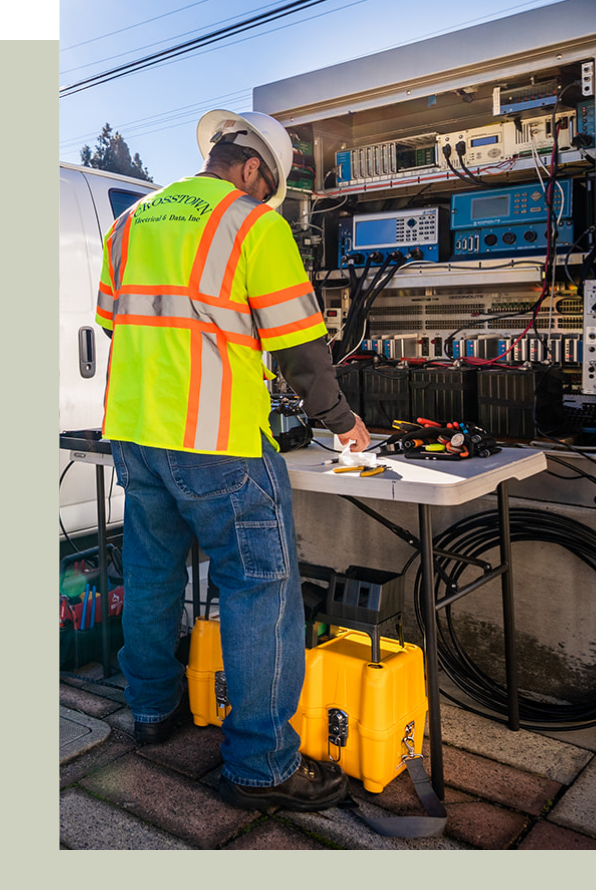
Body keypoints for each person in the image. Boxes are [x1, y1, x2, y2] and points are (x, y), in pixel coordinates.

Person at [95, 108, 371, 812]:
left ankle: (151, 714)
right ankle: (260, 768)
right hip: (219, 445)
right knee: (257, 593)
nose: (264, 194)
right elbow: (300, 347)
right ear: (252, 167)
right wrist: (339, 421)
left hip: (135, 434)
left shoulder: (130, 222)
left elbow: (116, 321)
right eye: (266, 184)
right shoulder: (254, 223)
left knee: (152, 576)